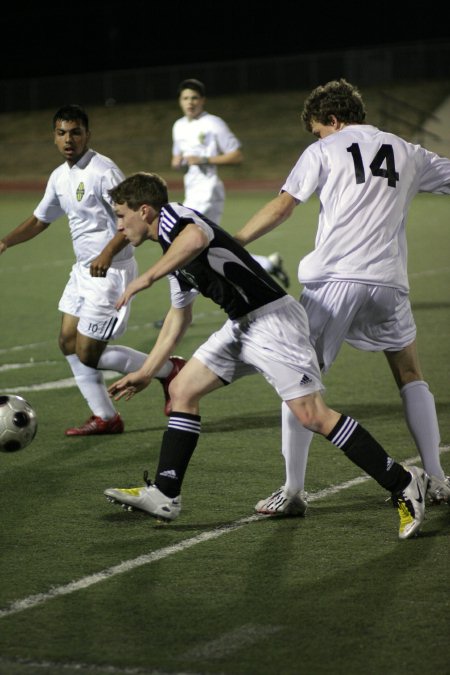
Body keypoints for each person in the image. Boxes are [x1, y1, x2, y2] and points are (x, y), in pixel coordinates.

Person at [103, 171, 428, 540]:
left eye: (120, 215)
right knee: (182, 390)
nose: (118, 226)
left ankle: (403, 481)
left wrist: (145, 279)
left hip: (273, 321)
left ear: (144, 211)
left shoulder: (177, 218)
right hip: (242, 325)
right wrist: (147, 372)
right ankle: (165, 493)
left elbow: (196, 237)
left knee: (312, 416)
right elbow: (180, 316)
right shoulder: (171, 253)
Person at [232, 78, 450, 515]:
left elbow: (283, 205)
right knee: (409, 373)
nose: (316, 136)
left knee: (297, 380)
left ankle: (293, 492)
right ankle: (439, 480)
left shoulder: (324, 150)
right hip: (388, 282)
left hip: (333, 282)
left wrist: (233, 242)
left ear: (331, 119)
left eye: (317, 128)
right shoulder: (408, 149)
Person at [0, 104, 186, 435]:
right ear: (54, 137)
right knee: (67, 341)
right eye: (61, 133)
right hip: (82, 271)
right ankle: (105, 417)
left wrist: (107, 252)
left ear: (87, 134)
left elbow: (131, 219)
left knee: (88, 353)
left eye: (75, 132)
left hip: (111, 272)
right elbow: (40, 218)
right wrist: (5, 242)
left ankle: (169, 369)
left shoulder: (103, 171)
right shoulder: (60, 177)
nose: (68, 139)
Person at [172, 78, 290, 289]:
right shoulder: (178, 126)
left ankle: (180, 307)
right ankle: (266, 265)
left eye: (194, 98)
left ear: (203, 100)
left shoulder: (213, 123)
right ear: (180, 101)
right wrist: (178, 163)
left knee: (187, 243)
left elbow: (236, 155)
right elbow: (176, 158)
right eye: (185, 98)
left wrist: (205, 159)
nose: (190, 102)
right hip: (192, 191)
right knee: (210, 247)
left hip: (209, 191)